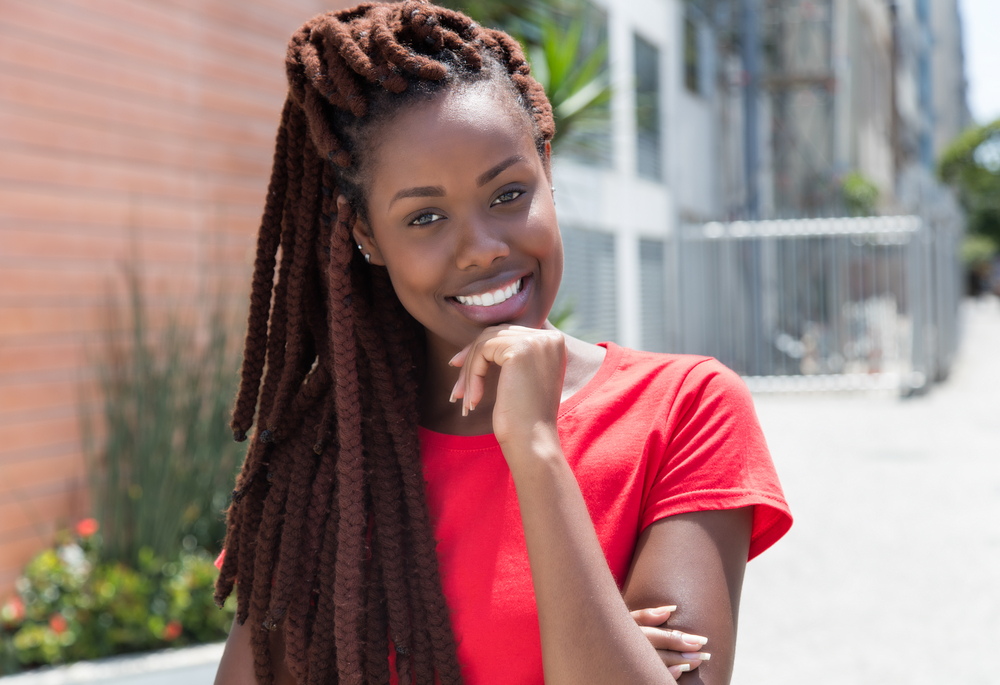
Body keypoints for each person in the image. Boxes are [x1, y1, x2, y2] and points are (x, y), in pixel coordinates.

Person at [213, 3, 792, 684]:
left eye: (508, 193)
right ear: (366, 234)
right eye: (424, 216)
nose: (483, 249)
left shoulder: (686, 409)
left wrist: (538, 450)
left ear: (546, 168)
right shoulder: (323, 462)